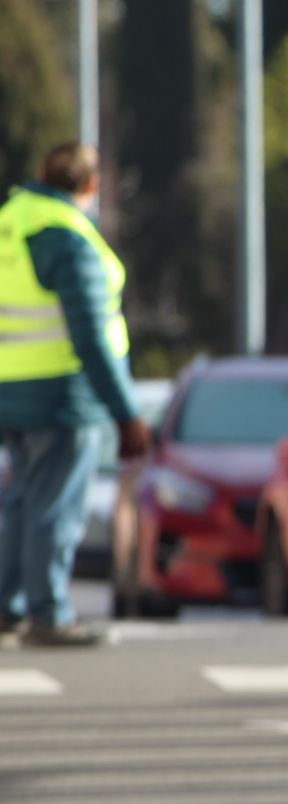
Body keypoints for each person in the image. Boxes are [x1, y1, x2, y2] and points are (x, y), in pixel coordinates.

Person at [0, 141, 150, 647]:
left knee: (21, 502)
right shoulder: (65, 235)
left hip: (11, 389)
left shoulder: (11, 221)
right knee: (55, 506)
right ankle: (49, 612)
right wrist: (126, 413)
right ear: (90, 185)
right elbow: (89, 331)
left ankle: (9, 606)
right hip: (62, 395)